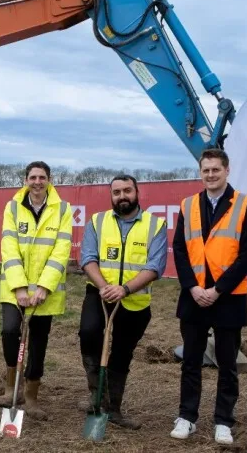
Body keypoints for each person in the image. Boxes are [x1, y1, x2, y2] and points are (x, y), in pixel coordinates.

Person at [170, 148, 247, 446]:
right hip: (193, 296)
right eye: (205, 170)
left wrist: (217, 290)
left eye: (215, 170)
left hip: (228, 296)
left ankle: (224, 421)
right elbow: (180, 250)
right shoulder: (188, 204)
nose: (210, 175)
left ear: (227, 170)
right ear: (201, 172)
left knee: (227, 363)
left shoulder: (246, 205)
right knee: (191, 362)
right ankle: (187, 417)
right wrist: (193, 287)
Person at [79, 174, 167, 430]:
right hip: (100, 294)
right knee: (88, 334)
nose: (122, 196)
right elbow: (88, 258)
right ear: (111, 196)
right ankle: (97, 398)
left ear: (137, 192)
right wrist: (105, 287)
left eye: (127, 191)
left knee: (122, 352)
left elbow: (155, 266)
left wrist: (125, 289)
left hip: (134, 300)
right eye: (116, 192)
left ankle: (113, 408)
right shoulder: (97, 221)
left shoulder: (155, 225)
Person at [0, 161, 72, 421]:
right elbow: (8, 245)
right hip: (13, 289)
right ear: (25, 180)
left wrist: (44, 287)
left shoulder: (62, 209)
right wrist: (18, 287)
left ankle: (31, 396)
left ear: (50, 179)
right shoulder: (12, 207)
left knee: (38, 343)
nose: (37, 182)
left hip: (44, 293)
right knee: (9, 331)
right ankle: (11, 389)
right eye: (33, 177)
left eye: (42, 177)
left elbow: (61, 249)